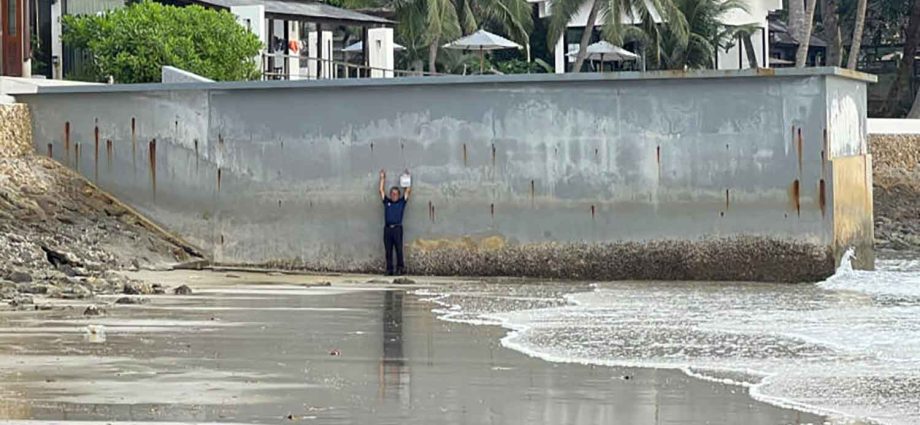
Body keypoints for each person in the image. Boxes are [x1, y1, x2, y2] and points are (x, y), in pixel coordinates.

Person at [379, 169, 411, 275]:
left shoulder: (401, 202)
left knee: (398, 249)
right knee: (388, 250)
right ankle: (389, 269)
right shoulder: (387, 202)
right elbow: (381, 191)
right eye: (392, 194)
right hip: (387, 229)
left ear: (398, 195)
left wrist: (407, 178)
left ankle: (400, 268)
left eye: (396, 194)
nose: (394, 196)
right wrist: (382, 178)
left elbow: (407, 191)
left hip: (397, 229)